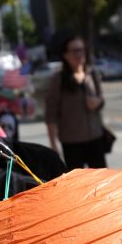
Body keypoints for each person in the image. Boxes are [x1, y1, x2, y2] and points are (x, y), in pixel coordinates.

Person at [45, 35, 107, 170]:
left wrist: (97, 102)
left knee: (101, 182)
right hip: (71, 141)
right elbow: (51, 113)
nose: (80, 54)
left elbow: (101, 99)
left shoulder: (92, 73)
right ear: (66, 55)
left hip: (95, 138)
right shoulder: (58, 79)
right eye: (75, 50)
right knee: (77, 185)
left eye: (81, 50)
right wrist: (53, 144)